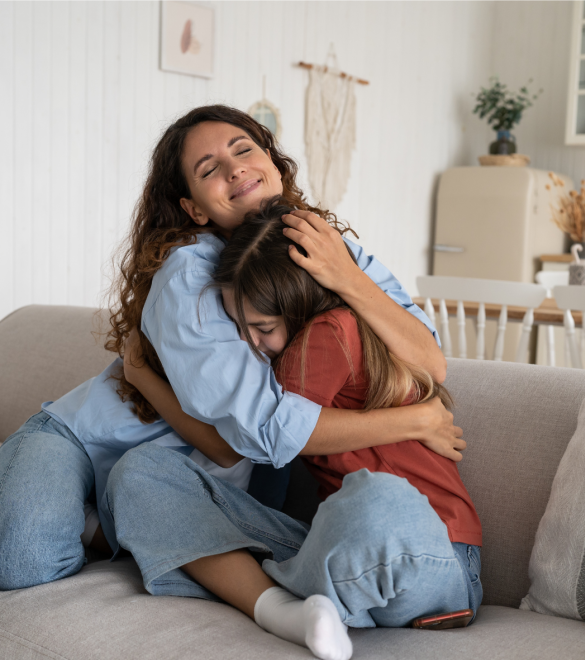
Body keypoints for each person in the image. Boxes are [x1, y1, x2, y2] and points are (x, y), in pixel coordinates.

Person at [0, 107, 464, 655]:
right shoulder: (190, 273)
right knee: (26, 560)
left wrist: (345, 276)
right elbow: (253, 436)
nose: (235, 168)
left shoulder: (328, 247)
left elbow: (428, 359)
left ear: (275, 163)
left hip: (195, 475)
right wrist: (417, 419)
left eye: (244, 149)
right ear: (193, 207)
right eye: (208, 167)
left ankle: (121, 523)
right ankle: (74, 501)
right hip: (89, 436)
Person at [113, 198, 481, 660]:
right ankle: (286, 606)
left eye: (262, 328)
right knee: (142, 471)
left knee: (377, 498)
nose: (251, 344)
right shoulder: (316, 338)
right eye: (239, 328)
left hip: (434, 555)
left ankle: (268, 587)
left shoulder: (328, 334)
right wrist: (415, 420)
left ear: (298, 303)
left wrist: (144, 376)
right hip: (340, 549)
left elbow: (268, 439)